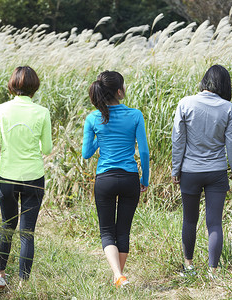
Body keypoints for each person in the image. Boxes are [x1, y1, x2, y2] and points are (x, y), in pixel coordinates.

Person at [0, 66, 52, 289]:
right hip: (34, 176)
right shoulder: (42, 112)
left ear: (13, 85)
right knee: (27, 231)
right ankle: (23, 283)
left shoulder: (0, 110)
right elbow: (48, 148)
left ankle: (0, 276)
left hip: (6, 177)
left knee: (7, 225)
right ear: (35, 87)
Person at [171, 65, 232, 279]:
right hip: (217, 172)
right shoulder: (228, 108)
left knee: (189, 220)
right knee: (214, 223)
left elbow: (178, 140)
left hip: (190, 172)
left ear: (205, 81)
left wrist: (175, 170)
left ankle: (189, 267)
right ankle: (213, 272)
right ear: (224, 85)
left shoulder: (185, 103)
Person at [82, 71, 149, 288]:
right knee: (123, 231)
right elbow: (145, 153)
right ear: (119, 91)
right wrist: (145, 179)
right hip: (130, 178)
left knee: (107, 231)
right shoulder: (135, 115)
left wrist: (100, 138)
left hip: (105, 179)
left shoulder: (93, 118)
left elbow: (86, 153)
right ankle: (119, 276)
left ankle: (118, 275)